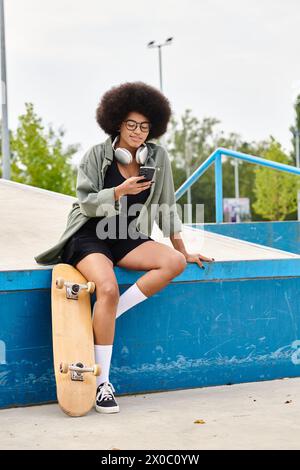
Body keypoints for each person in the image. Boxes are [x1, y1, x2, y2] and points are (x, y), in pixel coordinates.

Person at [35, 81, 215, 414]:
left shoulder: (158, 157)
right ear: (117, 123)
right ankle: (103, 382)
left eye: (145, 127)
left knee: (173, 262)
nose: (137, 132)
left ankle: (110, 311)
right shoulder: (96, 155)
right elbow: (86, 203)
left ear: (153, 129)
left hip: (123, 233)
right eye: (131, 124)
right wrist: (119, 192)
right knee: (106, 287)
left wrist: (184, 249)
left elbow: (166, 206)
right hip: (88, 233)